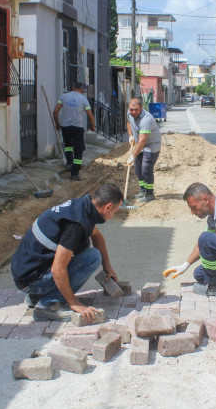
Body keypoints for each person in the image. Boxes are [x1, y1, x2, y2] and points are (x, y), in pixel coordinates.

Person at [11, 184, 123, 321]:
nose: (113, 216)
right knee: (92, 258)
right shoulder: (76, 226)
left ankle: (38, 295)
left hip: (26, 270)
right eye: (115, 211)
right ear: (108, 207)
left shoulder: (83, 206)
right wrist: (74, 303)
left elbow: (97, 237)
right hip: (30, 280)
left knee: (89, 253)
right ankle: (47, 305)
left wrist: (108, 268)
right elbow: (58, 269)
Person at [53, 82, 96, 181]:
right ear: (82, 89)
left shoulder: (63, 97)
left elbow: (55, 111)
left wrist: (57, 124)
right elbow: (90, 115)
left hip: (65, 127)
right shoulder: (83, 99)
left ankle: (69, 163)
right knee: (78, 150)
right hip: (77, 127)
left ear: (72, 87)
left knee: (68, 146)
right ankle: (74, 174)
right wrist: (93, 126)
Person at [126, 97, 162, 202]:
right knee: (138, 169)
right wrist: (130, 136)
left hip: (151, 145)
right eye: (131, 109)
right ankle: (143, 191)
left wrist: (132, 156)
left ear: (141, 107)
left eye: (135, 109)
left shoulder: (146, 119)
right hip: (139, 144)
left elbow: (142, 141)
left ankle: (149, 194)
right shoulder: (130, 114)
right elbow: (128, 122)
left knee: (146, 168)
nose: (133, 112)